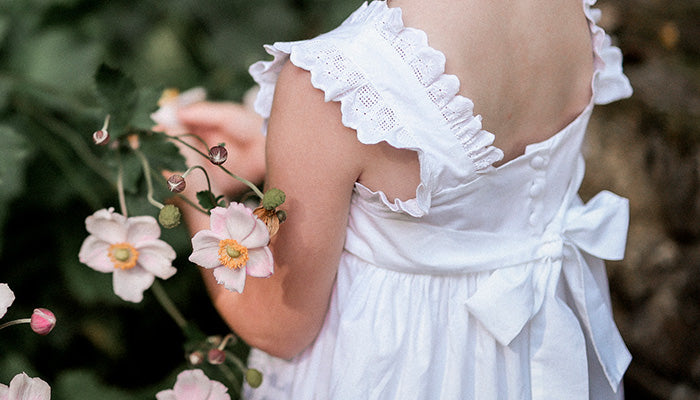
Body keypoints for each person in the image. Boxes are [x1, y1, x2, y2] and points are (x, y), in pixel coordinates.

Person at [174, 0, 634, 398]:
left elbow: (278, 325)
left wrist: (193, 195)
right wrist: (285, 148)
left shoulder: (337, 81)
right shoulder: (563, 11)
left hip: (401, 371)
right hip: (534, 358)